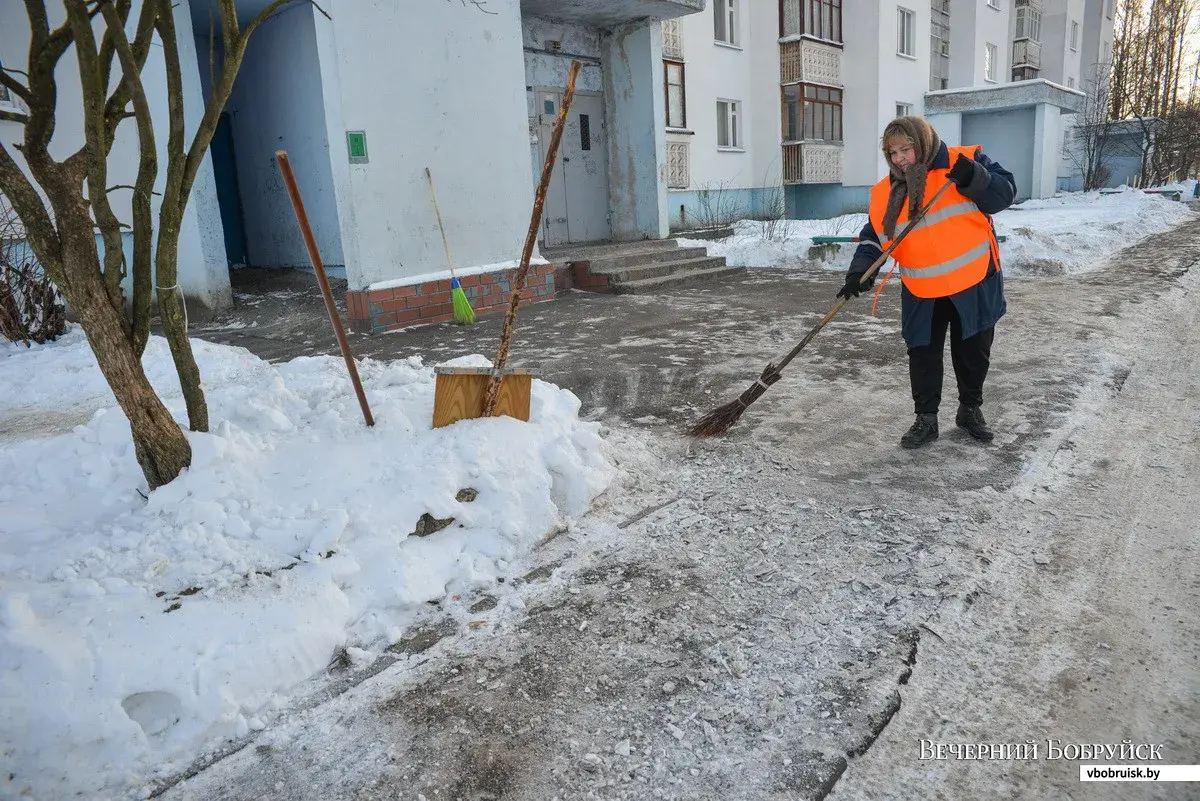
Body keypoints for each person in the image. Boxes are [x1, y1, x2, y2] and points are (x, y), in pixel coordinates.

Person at [836, 116, 1016, 449]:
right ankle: (926, 419)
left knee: (973, 353)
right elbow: (875, 236)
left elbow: (1005, 193)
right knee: (922, 354)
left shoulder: (963, 163)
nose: (899, 158)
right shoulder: (887, 192)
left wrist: (974, 178)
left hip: (972, 280)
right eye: (892, 152)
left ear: (924, 143)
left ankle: (970, 410)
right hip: (923, 288)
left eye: (906, 149)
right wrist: (858, 274)